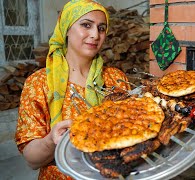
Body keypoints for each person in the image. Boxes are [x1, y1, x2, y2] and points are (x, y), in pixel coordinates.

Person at [15, 0, 130, 179]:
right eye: (86, 25)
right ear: (67, 28)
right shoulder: (39, 83)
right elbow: (32, 160)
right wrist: (51, 141)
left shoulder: (116, 79)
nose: (95, 35)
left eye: (101, 28)